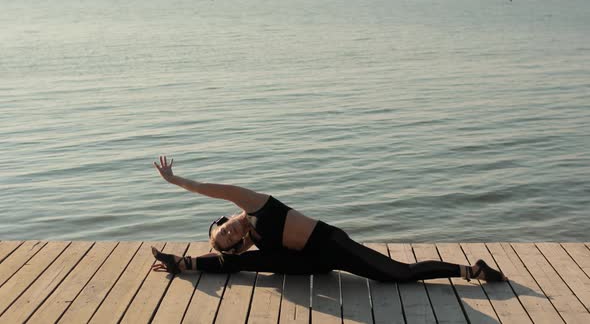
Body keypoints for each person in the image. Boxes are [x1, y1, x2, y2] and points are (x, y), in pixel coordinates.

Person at [150, 156, 507, 282]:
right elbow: (236, 257)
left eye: (223, 227)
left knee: (398, 275)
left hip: (330, 245)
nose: (228, 232)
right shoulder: (253, 243)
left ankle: (471, 270)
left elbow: (209, 188)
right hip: (311, 263)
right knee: (244, 263)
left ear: (228, 217)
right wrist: (224, 254)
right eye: (227, 238)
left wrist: (176, 181)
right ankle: (184, 263)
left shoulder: (255, 204)